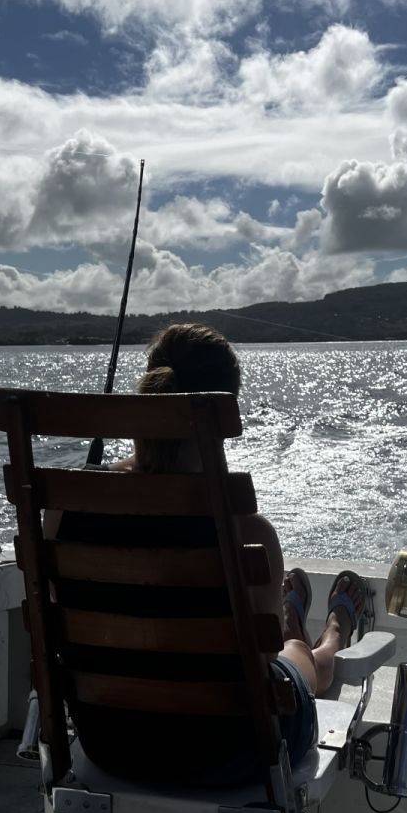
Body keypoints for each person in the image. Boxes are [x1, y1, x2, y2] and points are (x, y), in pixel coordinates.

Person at [48, 323, 373, 787]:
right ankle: (331, 639)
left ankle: (298, 626)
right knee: (291, 654)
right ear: (227, 412)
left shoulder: (62, 512)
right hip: (231, 755)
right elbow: (262, 666)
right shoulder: (249, 535)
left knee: (279, 652)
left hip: (109, 745)